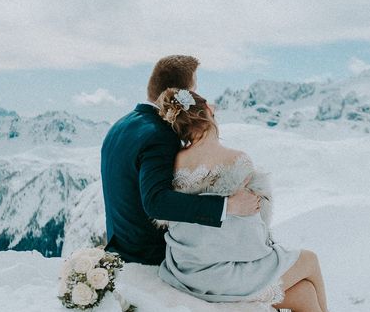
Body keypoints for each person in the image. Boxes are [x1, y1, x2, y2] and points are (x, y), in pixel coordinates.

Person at [153, 86, 370, 312]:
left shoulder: (174, 163)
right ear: (209, 115)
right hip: (220, 276)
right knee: (309, 260)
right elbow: (249, 241)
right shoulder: (235, 160)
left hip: (186, 271)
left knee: (304, 294)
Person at [100, 55, 261, 266]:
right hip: (149, 255)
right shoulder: (159, 133)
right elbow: (156, 202)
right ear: (180, 94)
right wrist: (227, 206)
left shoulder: (121, 125)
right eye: (195, 88)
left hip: (121, 246)